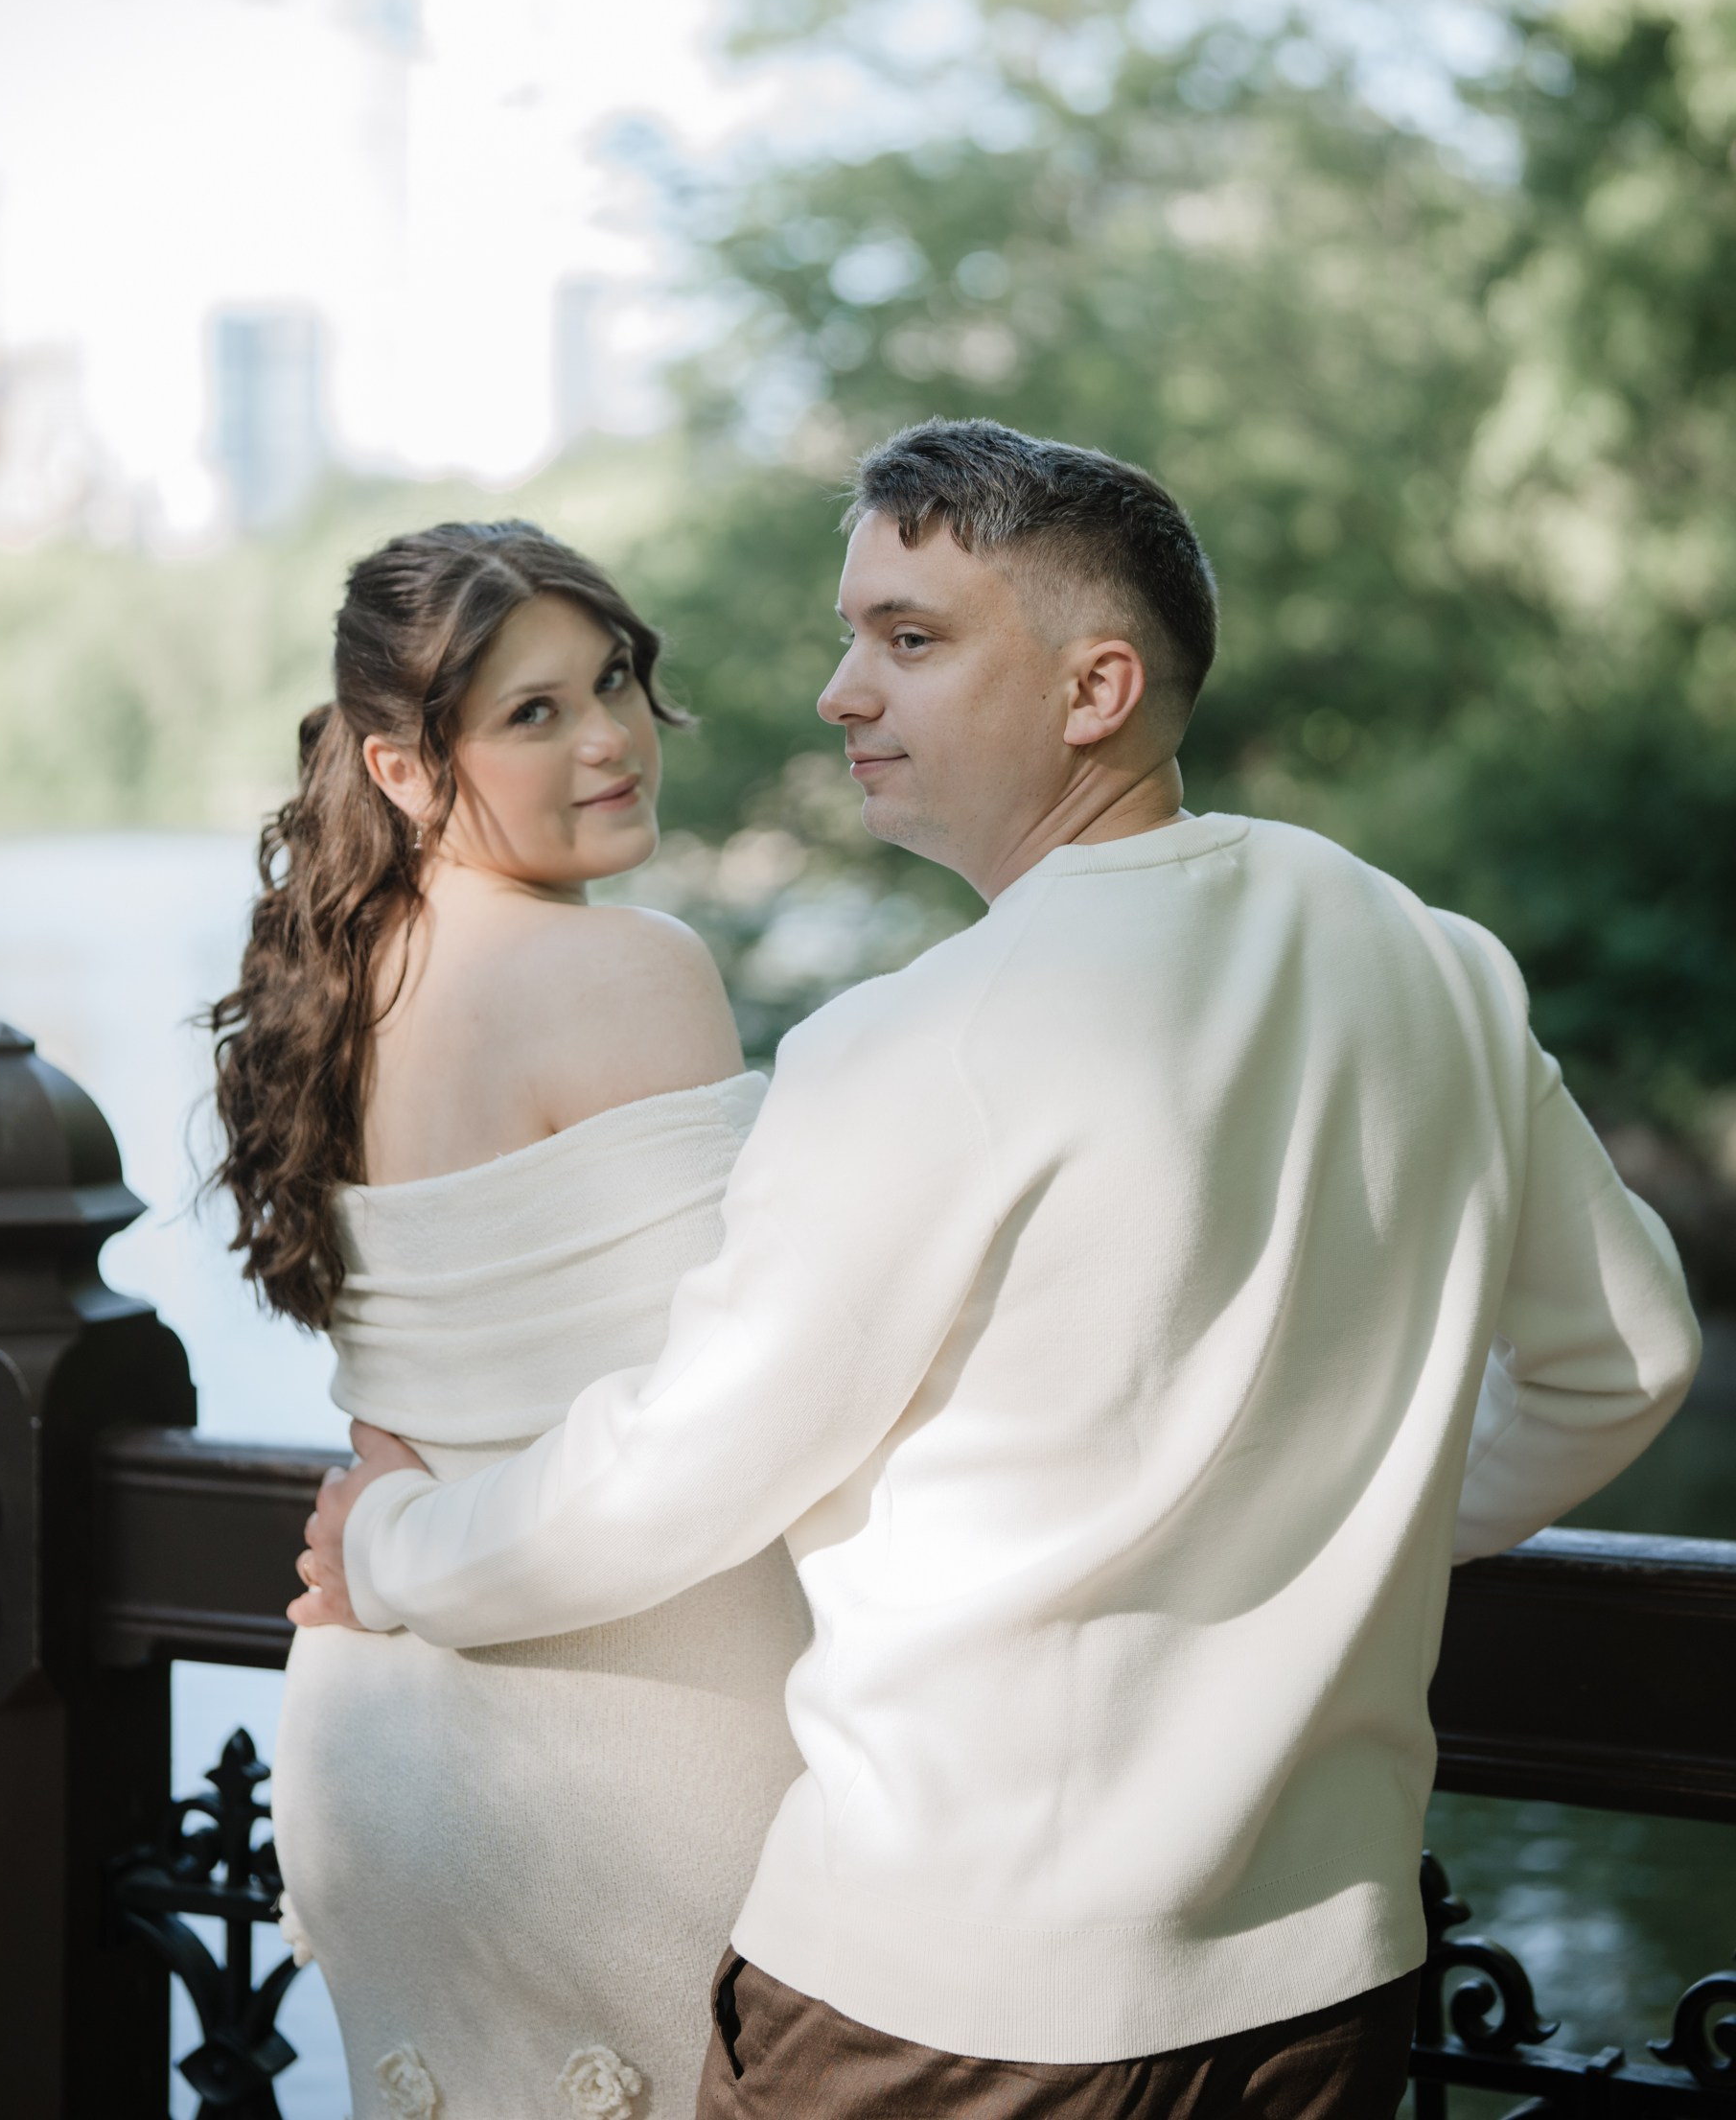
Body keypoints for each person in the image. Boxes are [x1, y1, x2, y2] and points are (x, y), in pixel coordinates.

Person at [295, 419, 1701, 2120]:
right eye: (850, 634)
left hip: (949, 2006)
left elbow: (676, 1476)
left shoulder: (904, 1049)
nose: (839, 691)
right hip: (1326, 1981)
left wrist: (396, 1543)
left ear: (1095, 688)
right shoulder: (1433, 957)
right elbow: (1627, 1360)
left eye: (910, 637)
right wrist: (1361, 1516)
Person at [208, 520, 809, 2120]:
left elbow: (396, 1410)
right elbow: (750, 1389)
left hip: (377, 1734)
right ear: (405, 765)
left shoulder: (329, 982)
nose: (611, 738)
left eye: (609, 681)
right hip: (630, 1745)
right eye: (532, 714)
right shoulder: (629, 971)